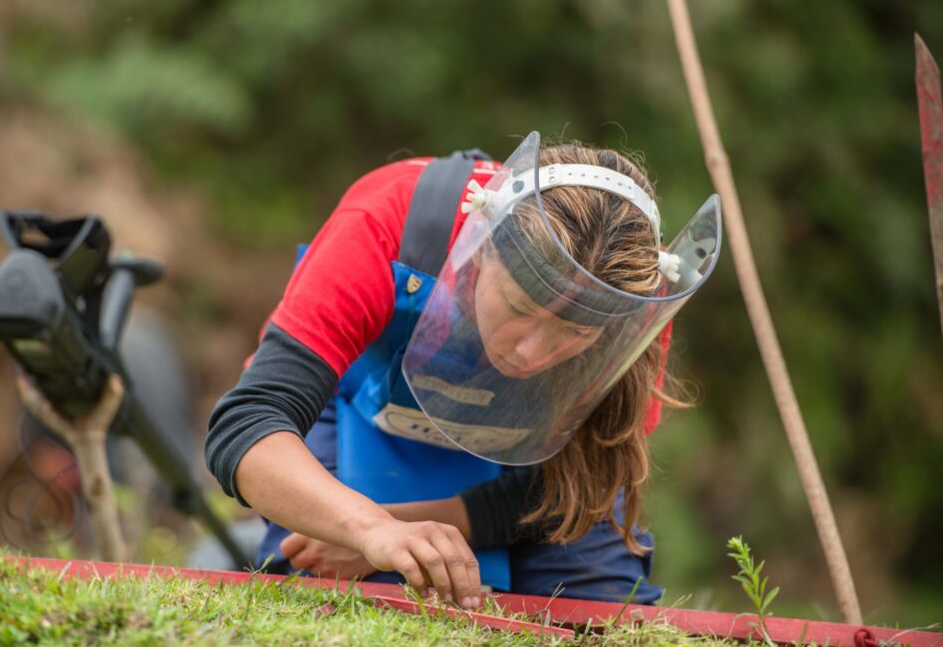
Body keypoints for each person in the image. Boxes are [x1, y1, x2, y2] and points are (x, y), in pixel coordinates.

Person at [205, 131, 721, 609]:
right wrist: (366, 529)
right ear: (479, 247)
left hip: (538, 468)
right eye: (519, 308)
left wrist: (406, 527)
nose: (530, 351)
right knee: (344, 600)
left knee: (599, 612)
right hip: (355, 409)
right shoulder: (388, 219)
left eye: (574, 334)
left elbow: (581, 484)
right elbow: (247, 430)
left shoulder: (630, 298)